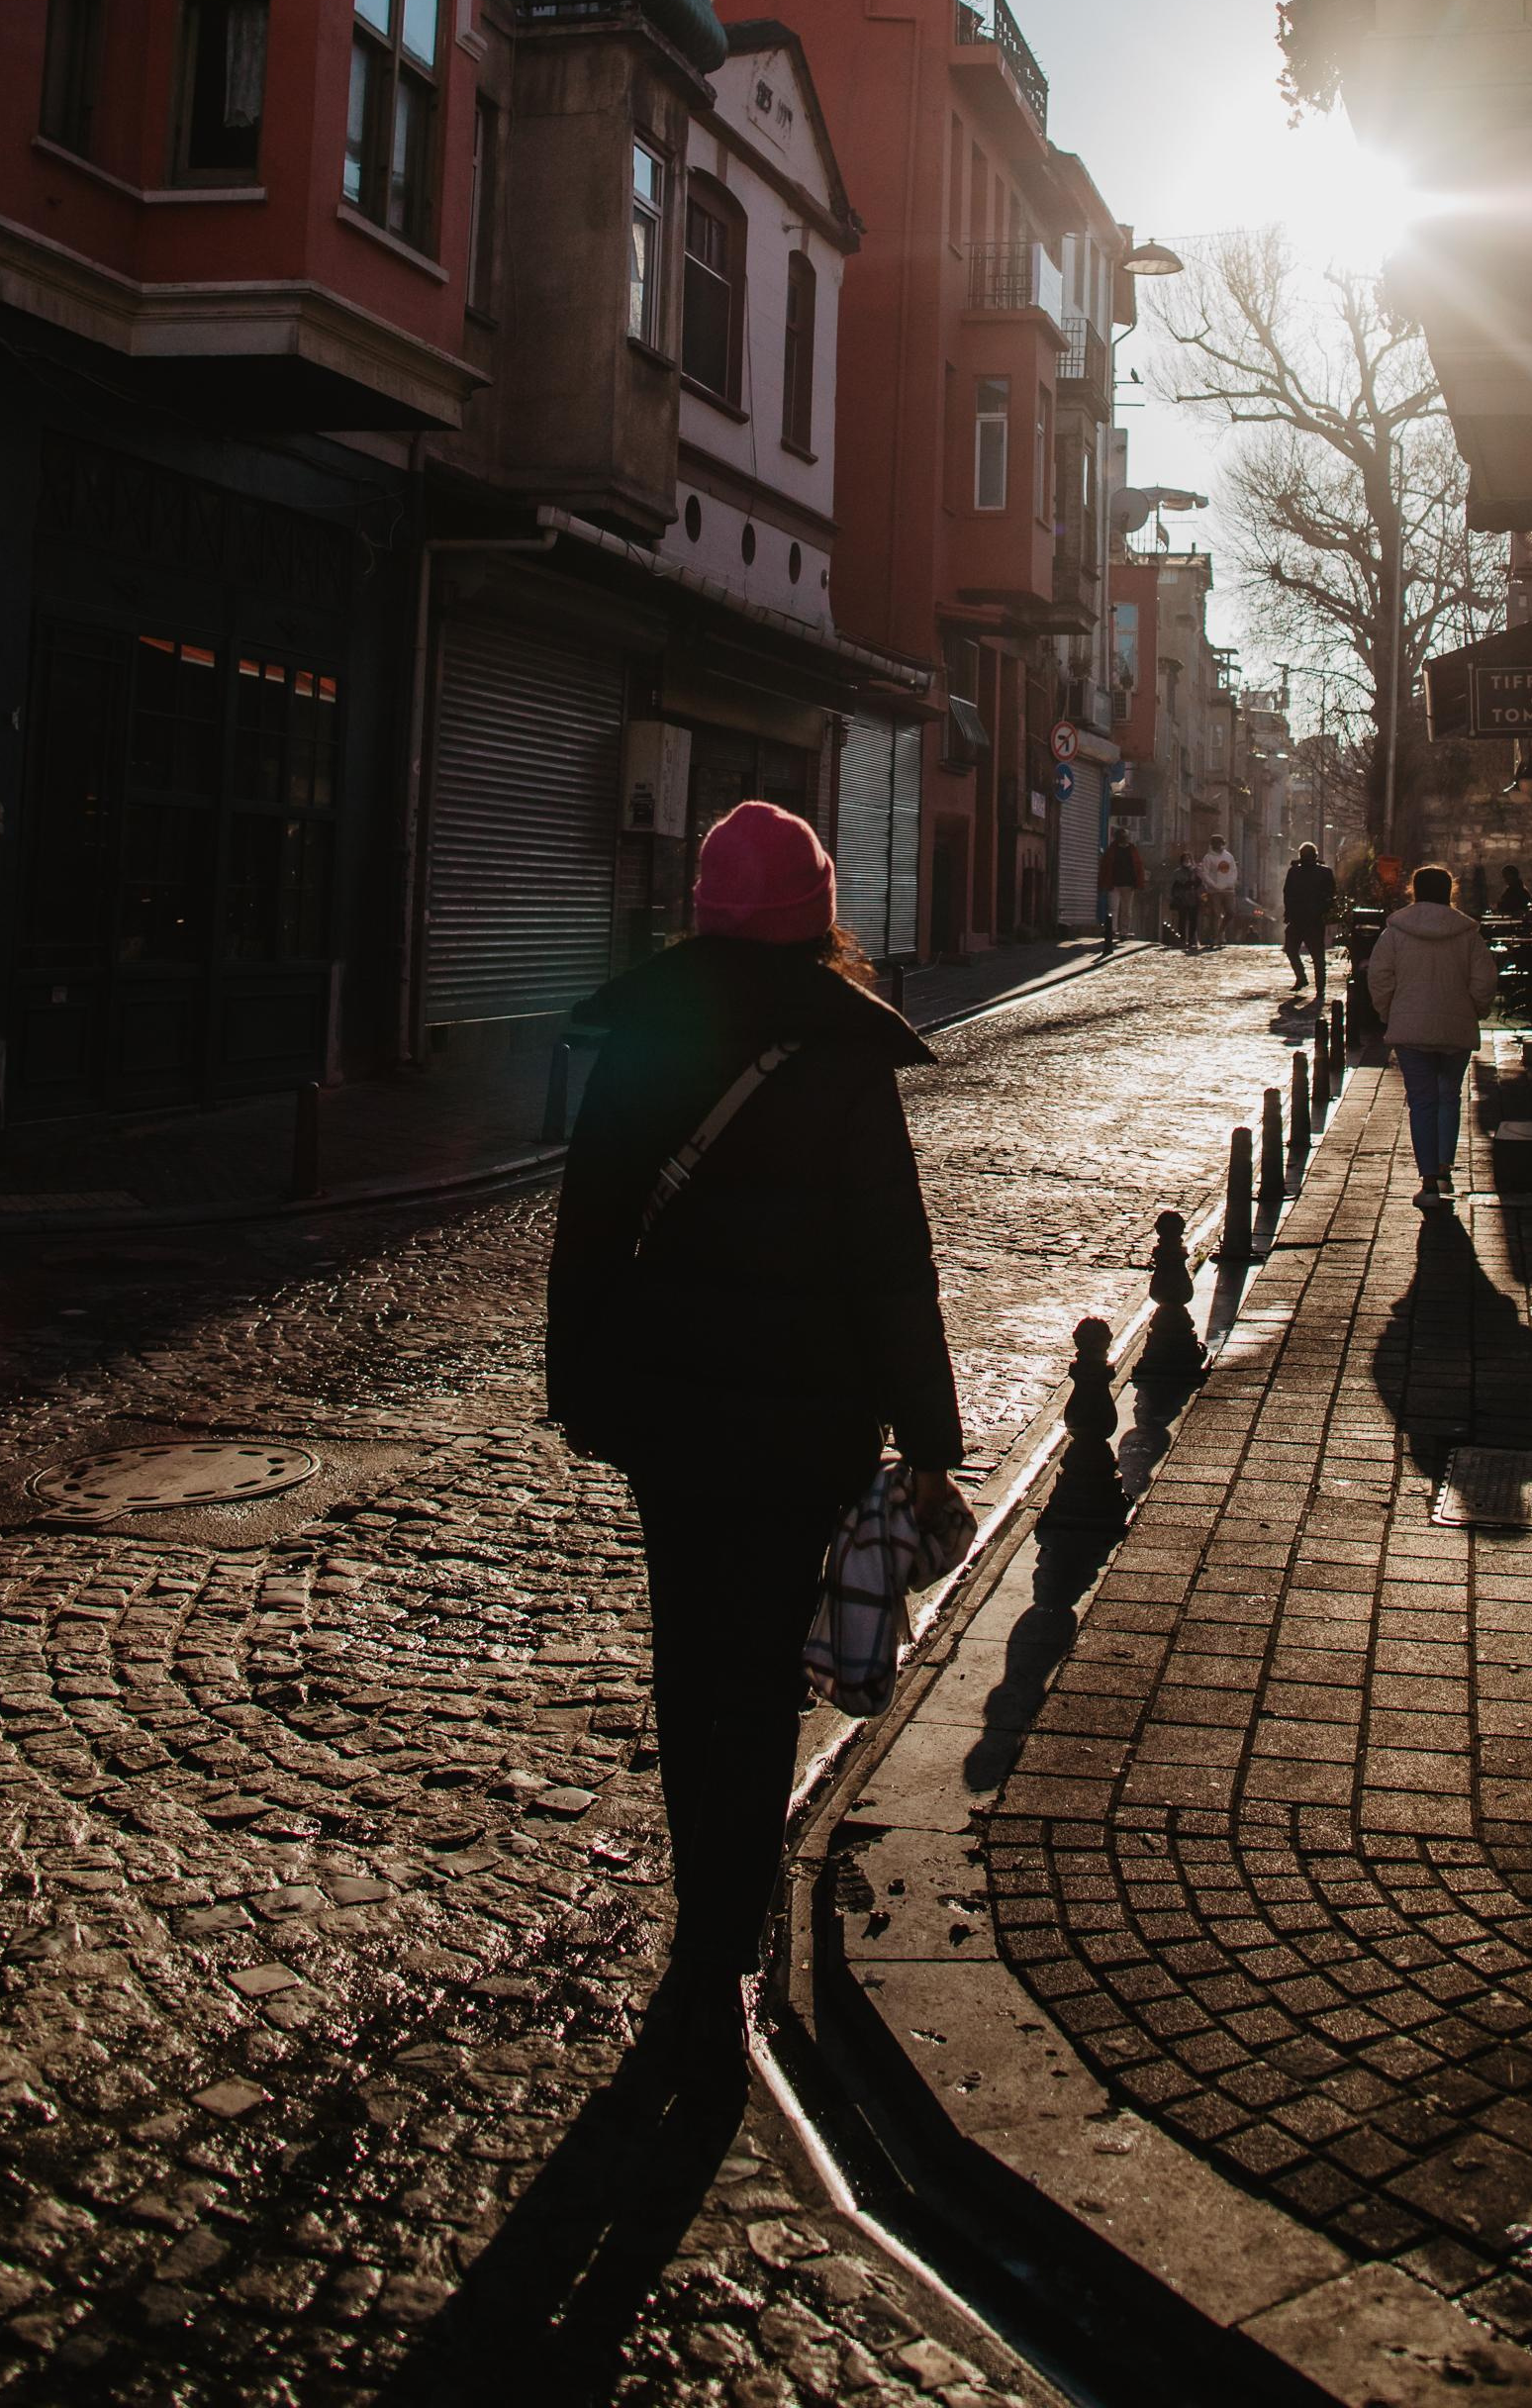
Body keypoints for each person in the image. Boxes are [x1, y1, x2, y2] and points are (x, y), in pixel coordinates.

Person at [546, 800, 969, 2100]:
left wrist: (583, 1392)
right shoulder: (838, 1061)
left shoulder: (647, 1042)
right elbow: (892, 1267)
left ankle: (703, 1915)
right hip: (806, 1427)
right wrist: (931, 1436)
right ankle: (737, 1915)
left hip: (676, 1426)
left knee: (691, 1661)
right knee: (766, 1659)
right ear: (817, 914)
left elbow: (588, 1233)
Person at [1366, 860, 1498, 1206]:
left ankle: (1428, 1180)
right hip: (1455, 1026)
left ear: (1414, 890)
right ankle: (1443, 1167)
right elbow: (1485, 980)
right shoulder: (1467, 934)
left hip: (1410, 1028)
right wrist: (1474, 1009)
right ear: (1449, 892)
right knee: (1448, 1096)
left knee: (1422, 1102)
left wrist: (1389, 1011)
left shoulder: (1396, 932)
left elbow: (1379, 977)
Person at [1282, 841, 1335, 999]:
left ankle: (1305, 980)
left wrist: (1289, 912)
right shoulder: (1324, 872)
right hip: (1312, 919)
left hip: (1302, 919)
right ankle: (1317, 986)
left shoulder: (1295, 872)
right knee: (1317, 956)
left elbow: (1287, 894)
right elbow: (1331, 894)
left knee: (1294, 950)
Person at [1099, 823, 1146, 954]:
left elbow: (1138, 867)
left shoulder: (1132, 849)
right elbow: (1105, 866)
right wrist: (1103, 882)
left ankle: (1124, 932)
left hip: (1128, 884)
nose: (1126, 839)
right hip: (1114, 883)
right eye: (1123, 837)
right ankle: (1112, 930)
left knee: (1126, 909)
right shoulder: (1112, 850)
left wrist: (1138, 882)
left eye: (1126, 837)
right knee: (1113, 907)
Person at [1198, 836, 1241, 947]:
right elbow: (1205, 874)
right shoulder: (1208, 858)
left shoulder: (1228, 856)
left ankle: (1221, 931)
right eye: (1217, 843)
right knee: (1215, 914)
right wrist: (1213, 885)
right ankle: (1215, 936)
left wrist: (1230, 883)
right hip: (1214, 891)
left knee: (1231, 912)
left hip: (1229, 890)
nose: (1220, 846)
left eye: (1221, 843)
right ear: (1213, 845)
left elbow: (1233, 871)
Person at [1166, 851, 1204, 949]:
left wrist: (1201, 896)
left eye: (1188, 859)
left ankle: (1192, 939)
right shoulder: (1177, 873)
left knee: (1193, 920)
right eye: (1185, 859)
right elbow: (1174, 886)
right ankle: (1182, 939)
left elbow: (1200, 884)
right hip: (1182, 899)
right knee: (1182, 919)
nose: (1187, 861)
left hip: (1194, 899)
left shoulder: (1196, 871)